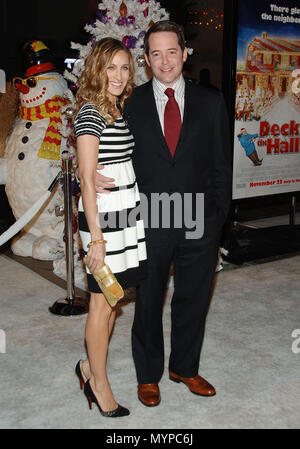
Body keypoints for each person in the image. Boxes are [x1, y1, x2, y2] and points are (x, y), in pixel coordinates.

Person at [95, 21, 232, 407]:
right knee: (149, 299)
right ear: (146, 59)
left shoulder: (211, 101)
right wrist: (91, 174)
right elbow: (101, 141)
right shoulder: (129, 100)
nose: (164, 61)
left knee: (192, 297)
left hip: (198, 217)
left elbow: (222, 165)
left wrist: (216, 217)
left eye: (172, 51)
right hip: (148, 216)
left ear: (185, 53)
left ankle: (184, 367)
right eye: (155, 53)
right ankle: (148, 374)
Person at [73, 38, 147, 417]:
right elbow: (86, 180)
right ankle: (98, 384)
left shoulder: (116, 107)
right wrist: (96, 241)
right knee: (101, 306)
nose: (119, 76)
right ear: (97, 69)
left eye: (124, 67)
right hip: (103, 221)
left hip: (124, 215)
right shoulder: (91, 112)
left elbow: (107, 165)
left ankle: (88, 368)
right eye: (111, 68)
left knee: (113, 301)